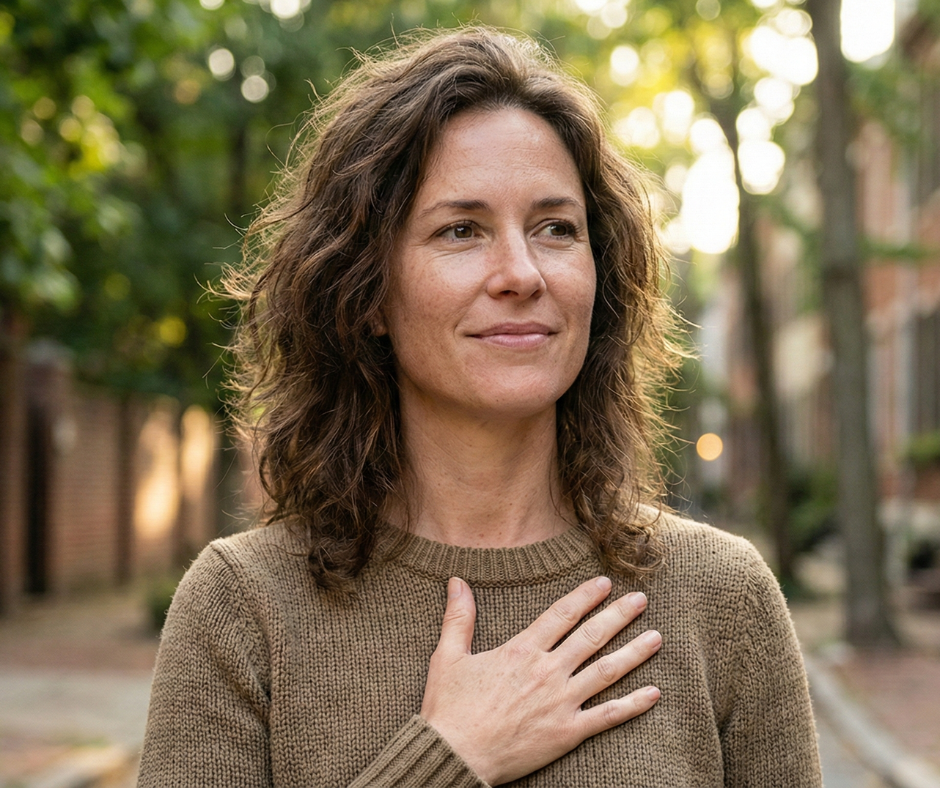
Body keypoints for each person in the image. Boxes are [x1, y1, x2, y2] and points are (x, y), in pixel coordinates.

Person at [138, 27, 822, 788]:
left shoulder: (721, 597)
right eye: (461, 230)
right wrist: (450, 755)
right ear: (367, 292)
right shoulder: (242, 608)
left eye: (556, 229)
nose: (521, 273)